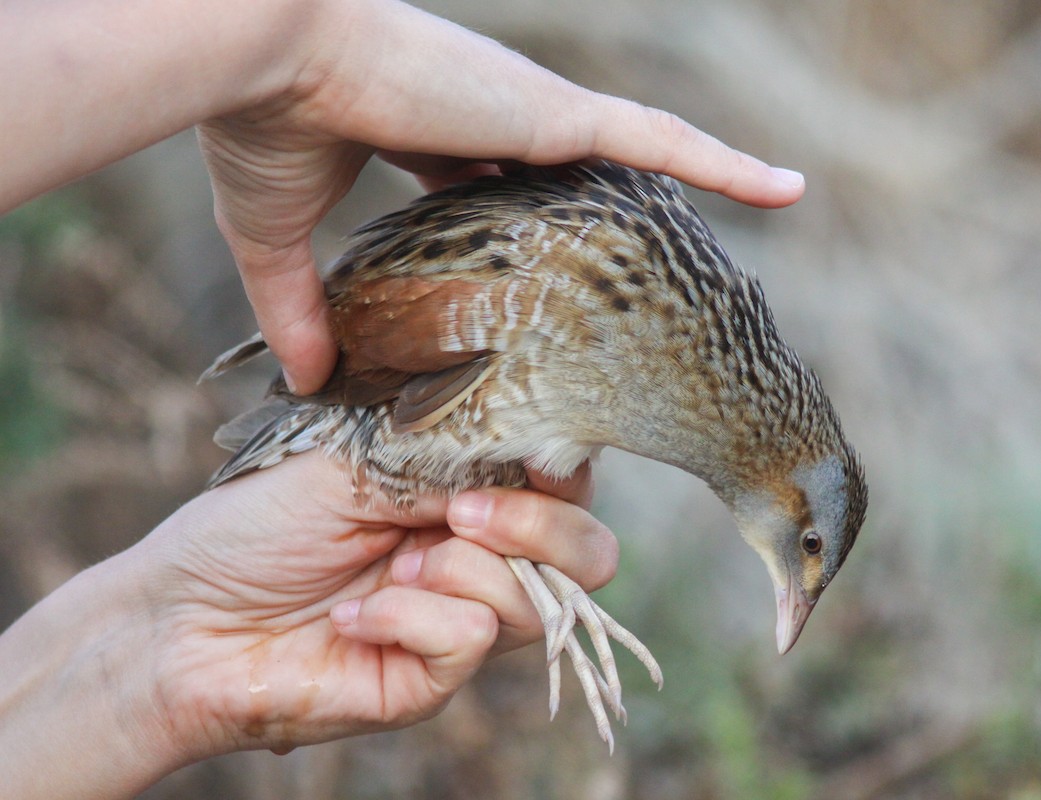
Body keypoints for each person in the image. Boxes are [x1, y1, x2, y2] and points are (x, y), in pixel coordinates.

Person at [0, 1, 805, 797]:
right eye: (805, 557)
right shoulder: (575, 286)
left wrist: (155, 654)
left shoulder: (681, 361)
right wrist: (303, 49)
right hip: (381, 391)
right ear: (788, 486)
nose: (795, 605)